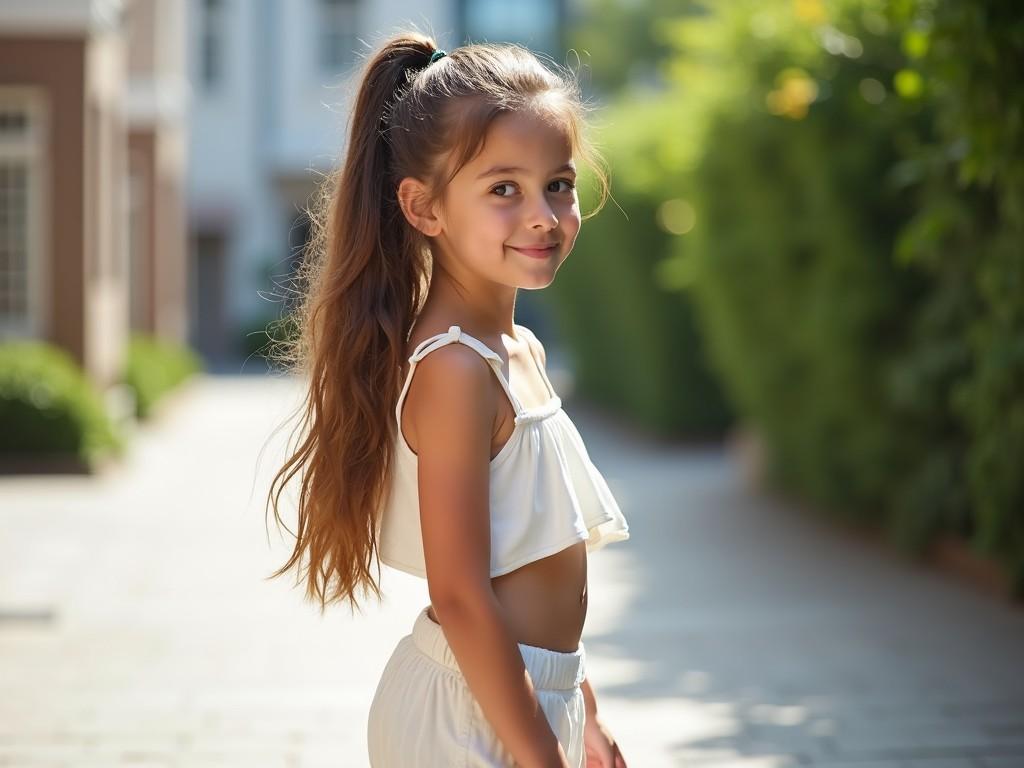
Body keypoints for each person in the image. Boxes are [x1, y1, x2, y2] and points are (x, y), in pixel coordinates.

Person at [265, 28, 630, 768]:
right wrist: (540, 755)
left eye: (558, 184)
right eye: (505, 189)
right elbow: (462, 595)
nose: (542, 214)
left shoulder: (518, 351)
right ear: (424, 208)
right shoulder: (456, 370)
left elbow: (543, 556)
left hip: (527, 698)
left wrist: (582, 711)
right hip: (466, 719)